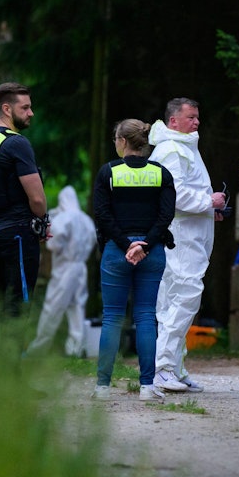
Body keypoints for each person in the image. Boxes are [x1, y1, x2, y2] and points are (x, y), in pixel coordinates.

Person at [91, 119, 176, 402]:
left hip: (117, 251)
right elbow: (166, 216)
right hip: (152, 253)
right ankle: (147, 386)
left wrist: (127, 245)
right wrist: (145, 245)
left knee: (113, 317)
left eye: (116, 138)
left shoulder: (109, 172)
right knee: (145, 316)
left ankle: (102, 386)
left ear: (123, 142)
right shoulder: (161, 173)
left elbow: (102, 214)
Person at [147, 98, 227, 393]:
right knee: (182, 299)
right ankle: (163, 368)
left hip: (189, 237)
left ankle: (175, 368)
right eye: (190, 117)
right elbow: (174, 195)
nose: (196, 122)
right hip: (180, 239)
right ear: (173, 122)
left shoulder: (184, 148)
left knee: (179, 301)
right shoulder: (171, 150)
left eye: (197, 117)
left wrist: (209, 209)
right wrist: (209, 201)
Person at [0, 82, 49, 317]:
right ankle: (16, 354)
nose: (31, 113)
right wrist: (42, 221)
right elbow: (37, 199)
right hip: (17, 237)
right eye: (25, 108)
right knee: (18, 306)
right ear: (6, 109)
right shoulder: (17, 143)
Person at [25, 185, 97, 357]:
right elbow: (94, 240)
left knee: (53, 307)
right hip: (81, 266)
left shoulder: (63, 218)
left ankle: (38, 349)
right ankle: (75, 349)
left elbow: (53, 243)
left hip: (65, 267)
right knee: (77, 308)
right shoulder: (86, 219)